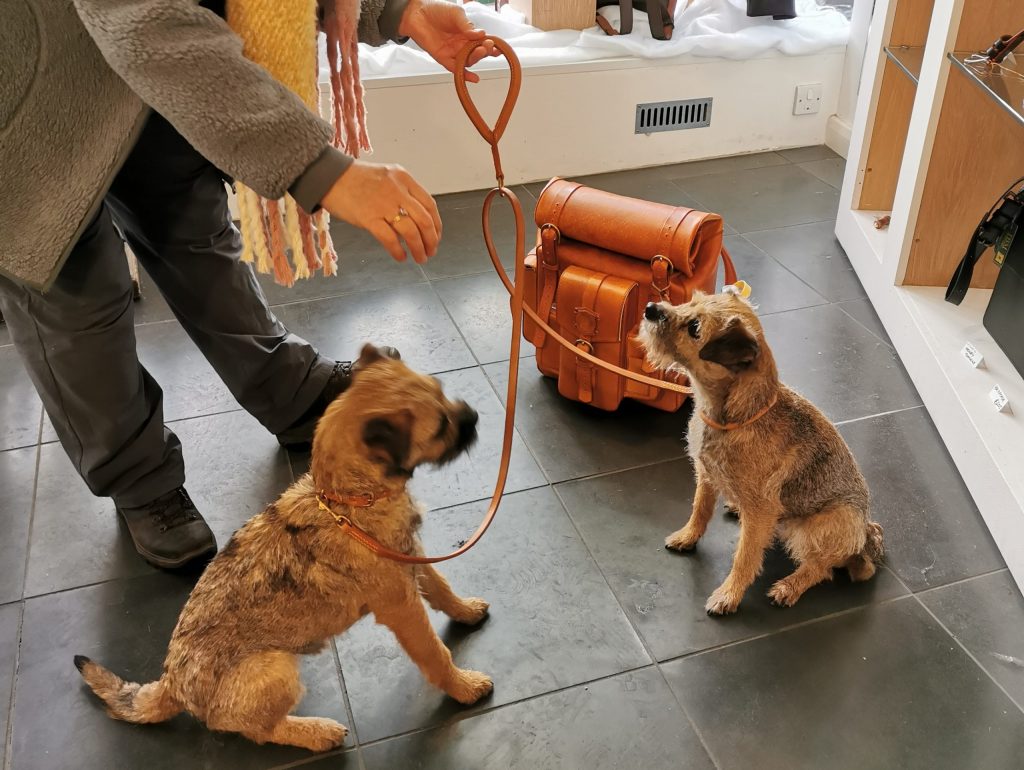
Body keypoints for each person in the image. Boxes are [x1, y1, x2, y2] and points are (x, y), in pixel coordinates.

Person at [0, 0, 494, 569]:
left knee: (191, 228)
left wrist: (396, 10)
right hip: (31, 79)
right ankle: (136, 475)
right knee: (73, 290)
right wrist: (320, 168)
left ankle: (288, 389)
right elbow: (146, 20)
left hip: (163, 70)